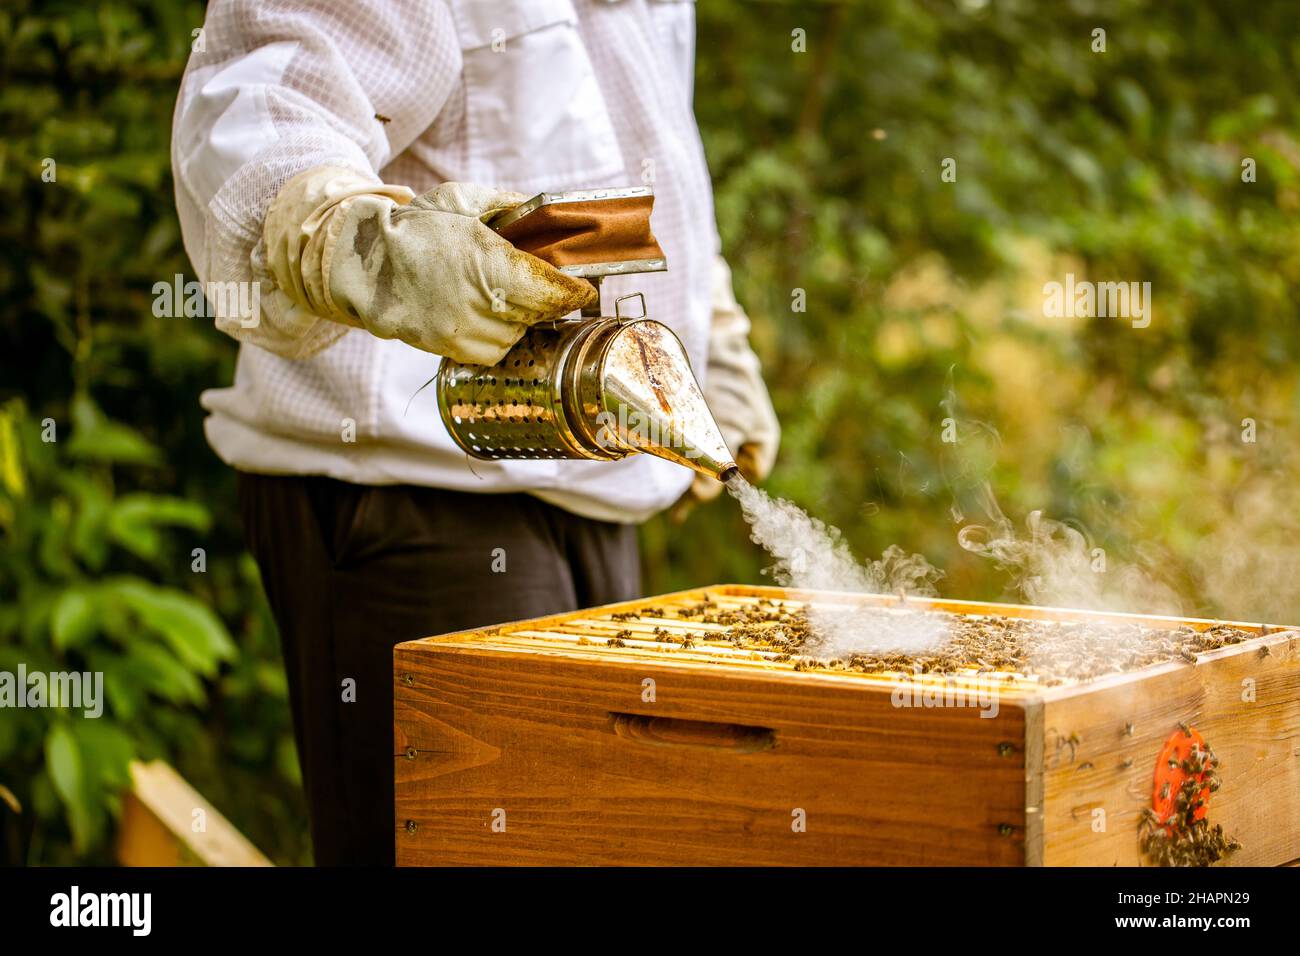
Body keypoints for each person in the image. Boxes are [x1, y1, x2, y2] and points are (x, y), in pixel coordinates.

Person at [172, 0, 779, 865]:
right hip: (416, 502)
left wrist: (714, 341)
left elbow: (649, 142)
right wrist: (353, 239)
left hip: (601, 485)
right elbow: (264, 100)